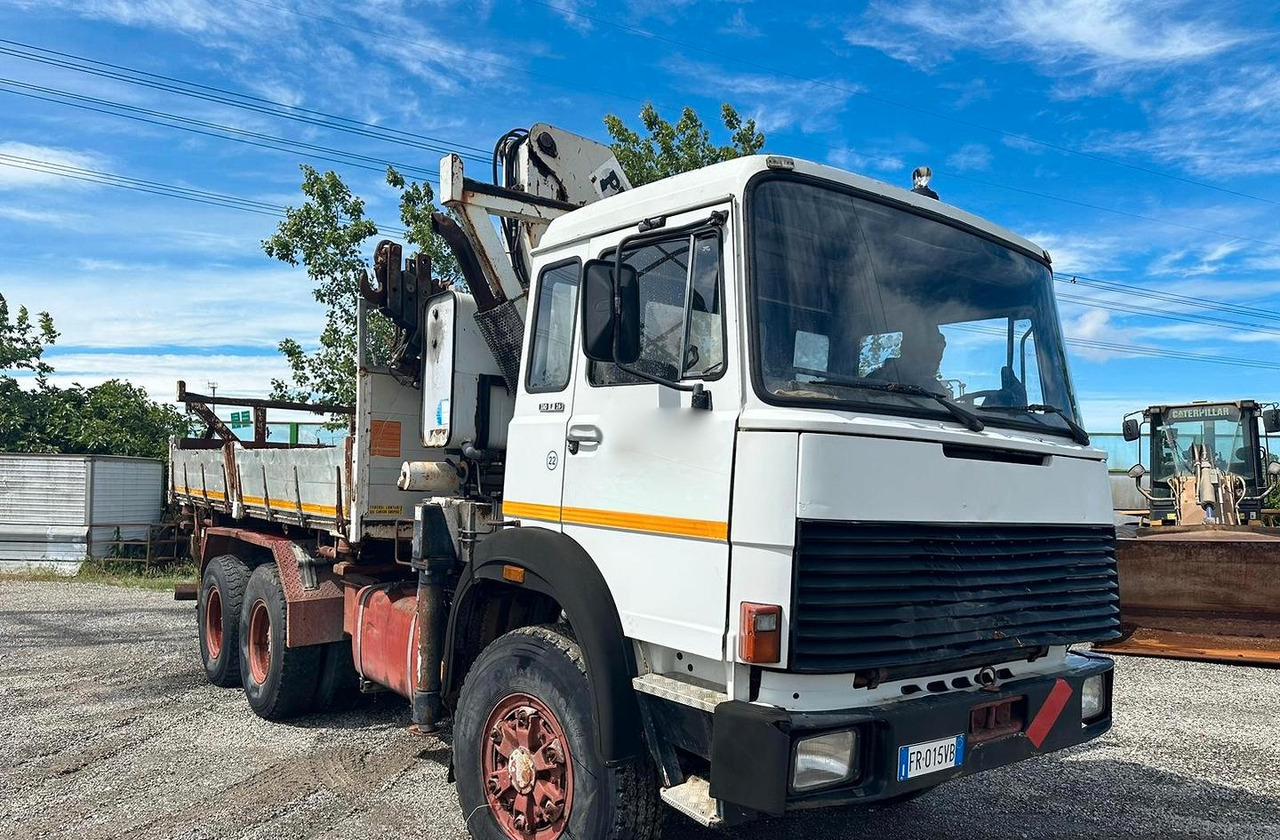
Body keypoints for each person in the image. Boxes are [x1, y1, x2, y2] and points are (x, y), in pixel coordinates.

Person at [867, 325, 949, 394]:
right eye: (929, 355)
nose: (934, 363)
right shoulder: (876, 380)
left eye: (936, 357)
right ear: (906, 349)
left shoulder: (934, 388)